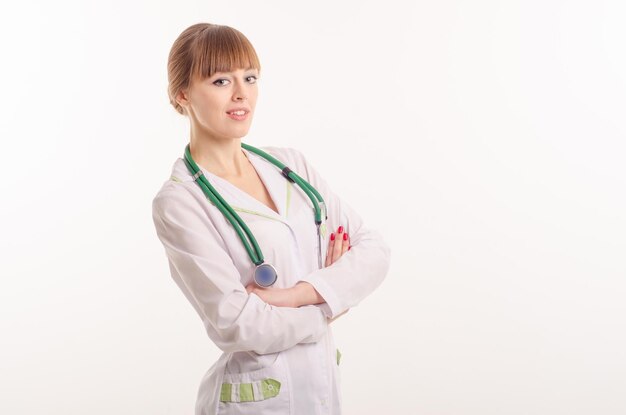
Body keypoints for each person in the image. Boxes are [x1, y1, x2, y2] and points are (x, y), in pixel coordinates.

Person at [152, 22, 391, 415]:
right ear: (183, 94)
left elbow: (374, 251)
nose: (241, 93)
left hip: (321, 390)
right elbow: (237, 322)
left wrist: (295, 296)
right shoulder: (180, 202)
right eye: (220, 81)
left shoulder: (290, 166)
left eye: (250, 77)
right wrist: (331, 303)